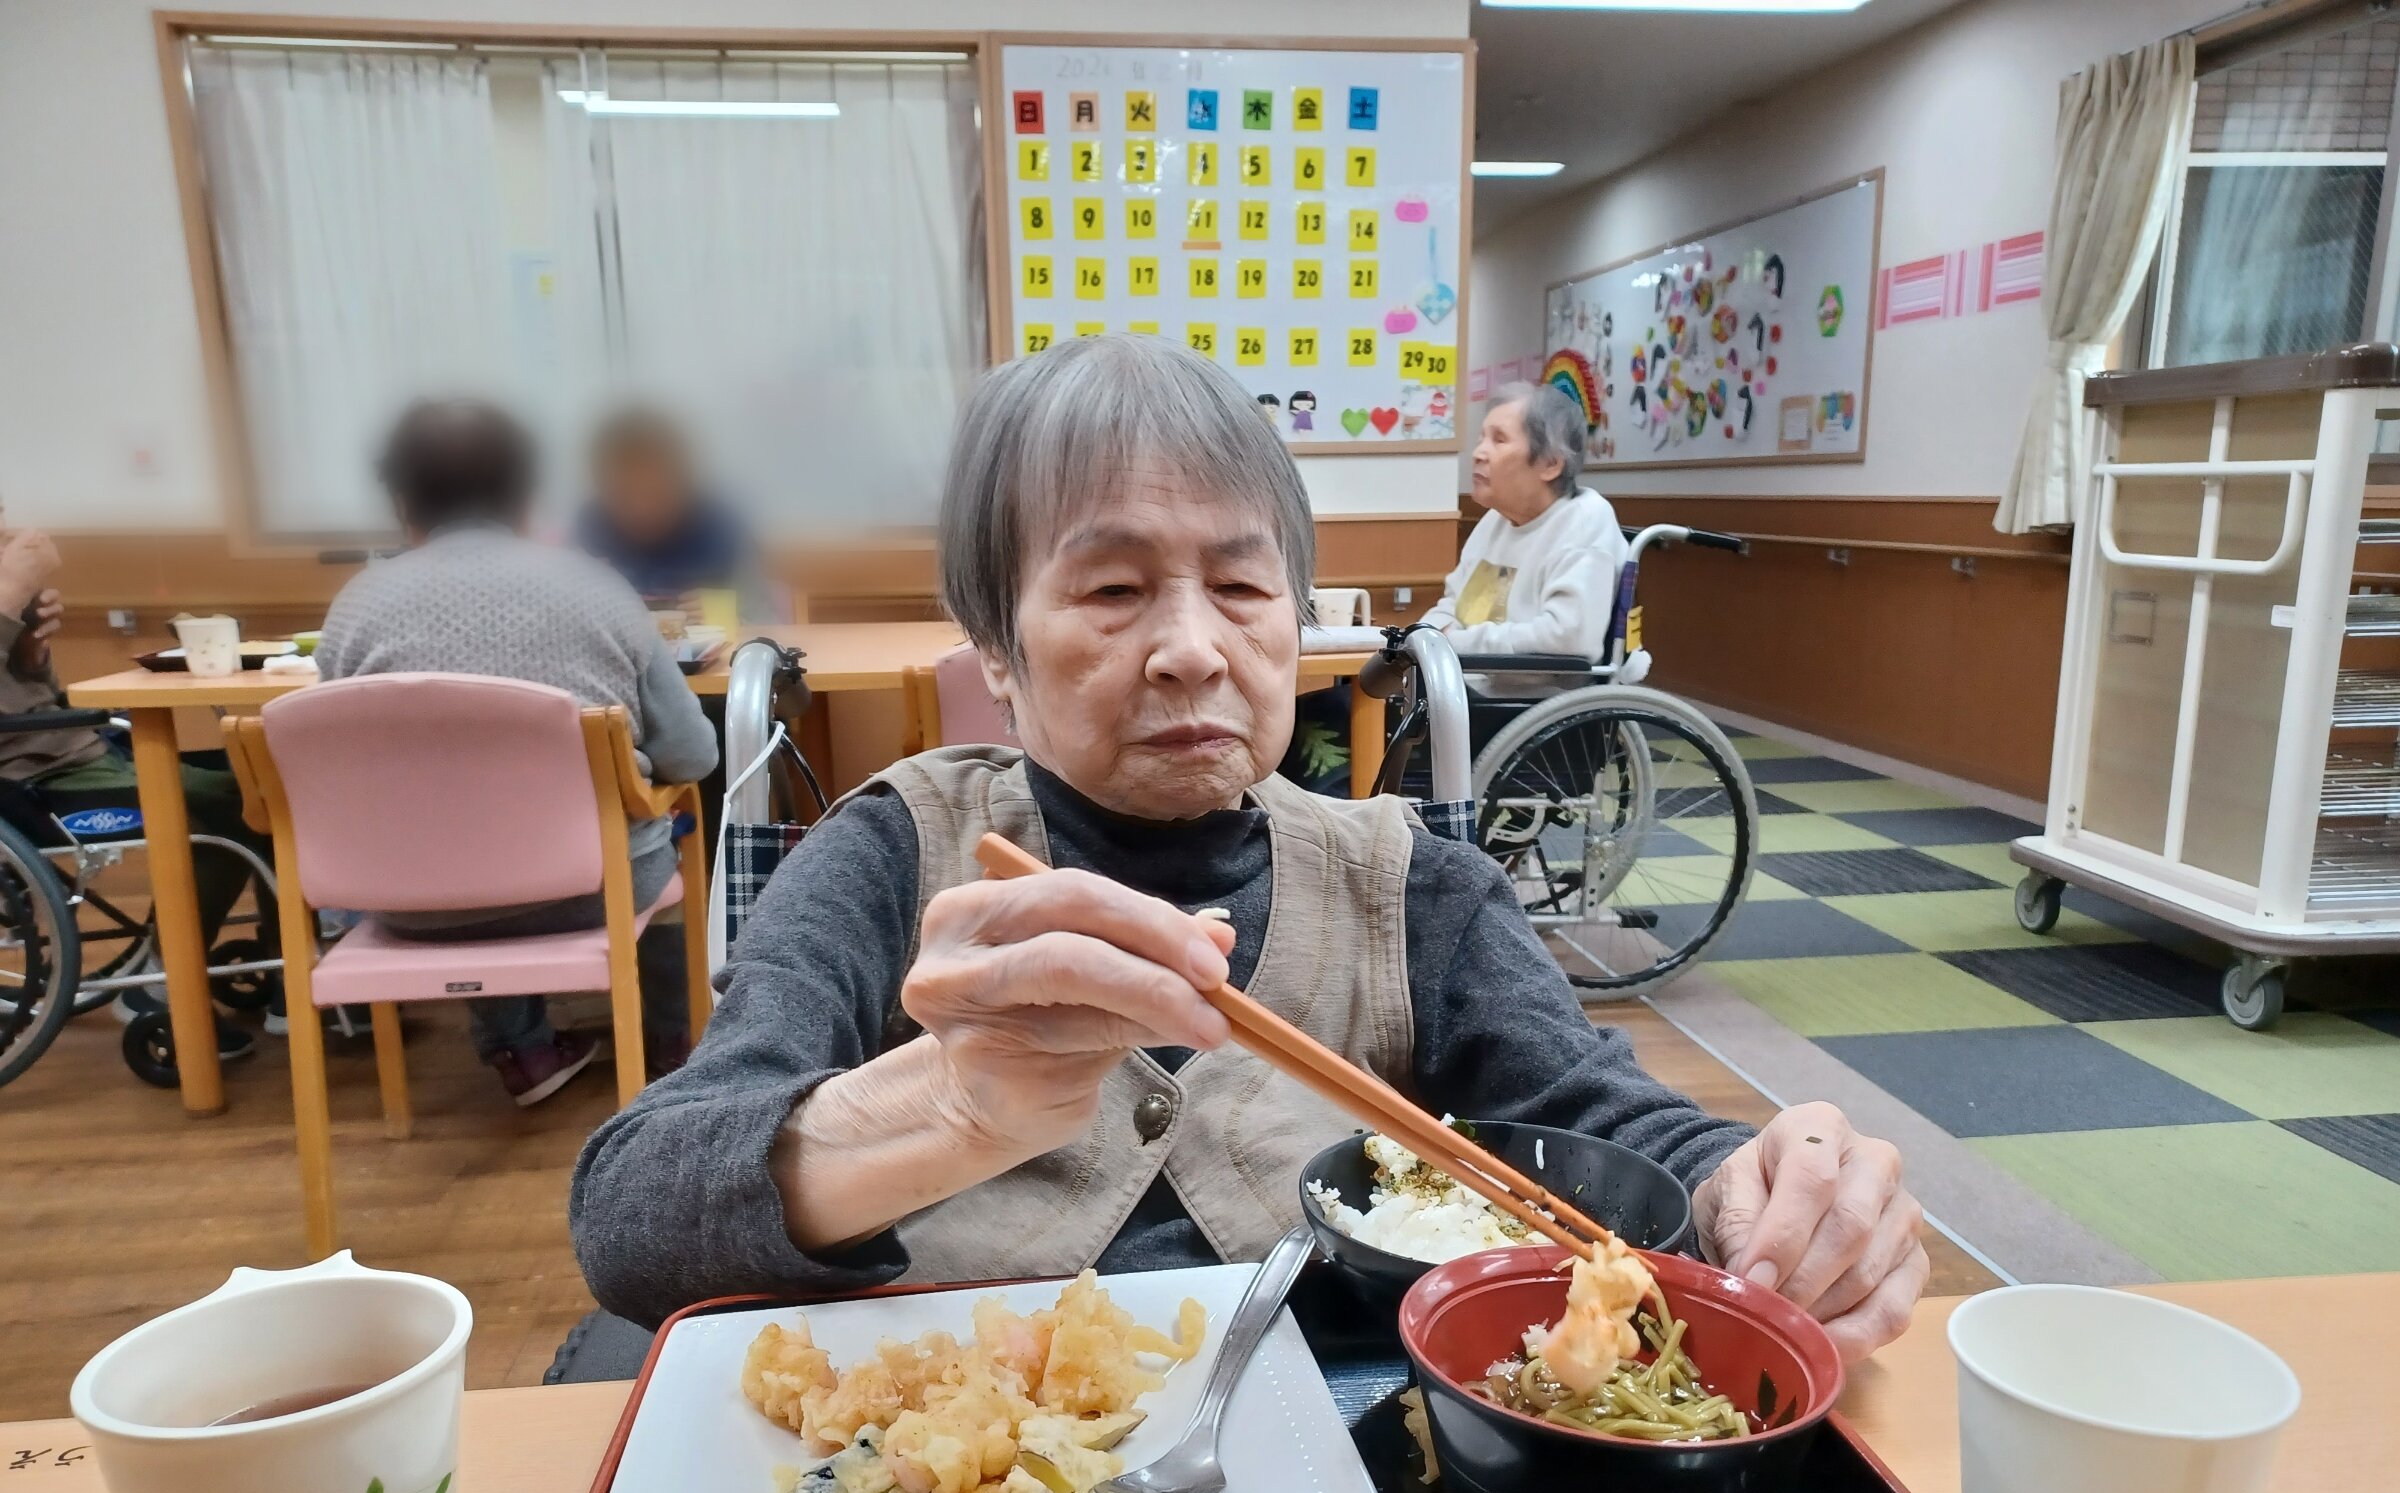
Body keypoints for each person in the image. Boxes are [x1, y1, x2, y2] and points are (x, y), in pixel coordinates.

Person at [570, 335, 1927, 1360]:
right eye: (1112, 588)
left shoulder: (1411, 883)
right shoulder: (893, 852)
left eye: (1238, 584)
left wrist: (1759, 1189)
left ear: (1295, 620)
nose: (1191, 648)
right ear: (996, 648)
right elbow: (632, 1214)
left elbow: (1593, 1124)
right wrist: (942, 1109)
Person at [315, 401, 719, 1105]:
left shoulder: (354, 609)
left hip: (411, 902)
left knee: (457, 833)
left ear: (402, 503)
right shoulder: (596, 588)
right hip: (593, 891)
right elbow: (690, 755)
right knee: (666, 828)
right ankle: (673, 1039)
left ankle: (522, 1051)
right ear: (529, 497)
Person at [0, 516, 270, 1060]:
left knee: (259, 788)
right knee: (233, 812)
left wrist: (30, 652)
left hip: (79, 753)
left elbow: (34, 695)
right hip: (29, 781)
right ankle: (164, 980)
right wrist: (7, 594)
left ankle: (287, 970)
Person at [1426, 381, 1628, 696]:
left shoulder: (1585, 520)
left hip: (1523, 704)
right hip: (1462, 685)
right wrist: (1426, 637)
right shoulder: (1496, 519)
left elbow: (1568, 639)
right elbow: (1452, 604)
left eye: (1499, 439)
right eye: (1481, 438)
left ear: (1550, 464)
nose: (1478, 453)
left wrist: (1451, 643)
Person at [574, 407, 779, 625]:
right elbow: (570, 616)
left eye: (657, 493)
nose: (643, 510)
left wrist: (725, 615)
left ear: (683, 479)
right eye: (626, 493)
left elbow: (767, 622)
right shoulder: (590, 527)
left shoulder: (723, 526)